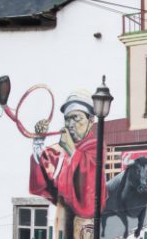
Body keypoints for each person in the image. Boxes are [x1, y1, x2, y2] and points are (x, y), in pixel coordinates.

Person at [28, 92, 105, 230]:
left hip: (86, 227)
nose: (70, 125)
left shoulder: (95, 146)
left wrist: (71, 150)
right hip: (63, 221)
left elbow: (90, 182)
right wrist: (39, 141)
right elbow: (47, 173)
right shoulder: (63, 148)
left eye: (76, 118)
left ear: (91, 121)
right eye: (67, 119)